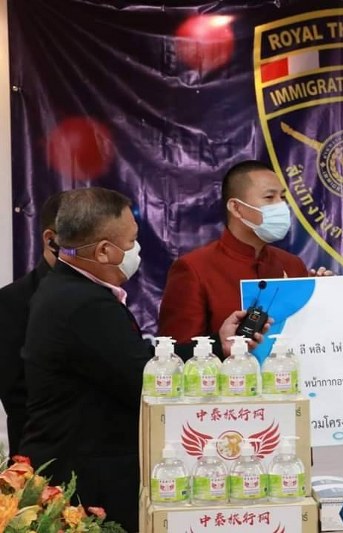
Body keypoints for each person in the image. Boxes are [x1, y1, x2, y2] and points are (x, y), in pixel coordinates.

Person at [20, 188, 255, 531]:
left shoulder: (68, 288)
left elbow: (138, 358)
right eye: (131, 242)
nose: (137, 250)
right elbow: (147, 377)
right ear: (103, 251)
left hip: (80, 465)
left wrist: (218, 346)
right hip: (84, 481)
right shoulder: (84, 304)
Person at [159, 160, 330, 345]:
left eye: (283, 197)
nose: (281, 206)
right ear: (236, 208)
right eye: (269, 197)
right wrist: (222, 346)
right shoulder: (194, 269)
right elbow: (176, 352)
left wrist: (322, 297)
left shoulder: (292, 264)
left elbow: (307, 337)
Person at [0, 192, 63, 456]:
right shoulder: (12, 300)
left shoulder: (104, 296)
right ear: (50, 239)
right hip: (39, 457)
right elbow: (16, 395)